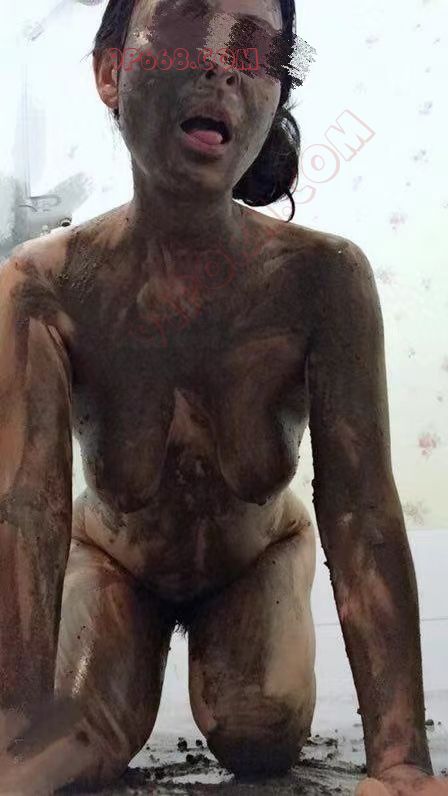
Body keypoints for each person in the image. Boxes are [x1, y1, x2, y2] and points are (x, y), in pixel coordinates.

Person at [0, 1, 446, 793]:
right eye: (183, 31)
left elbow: (363, 513)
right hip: (112, 559)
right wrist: (14, 738)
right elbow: (25, 514)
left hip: (256, 556)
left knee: (257, 726)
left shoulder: (324, 281)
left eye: (254, 50)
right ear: (110, 72)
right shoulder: (43, 288)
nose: (219, 66)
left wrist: (401, 761)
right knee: (68, 750)